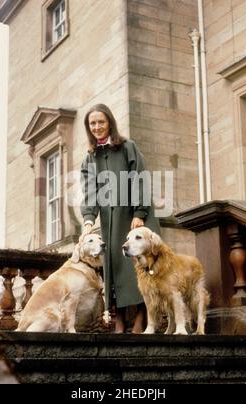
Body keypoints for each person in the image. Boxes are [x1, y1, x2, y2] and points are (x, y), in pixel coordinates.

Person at [80, 104, 160, 333]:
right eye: (92, 123)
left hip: (134, 217)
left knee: (140, 266)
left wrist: (139, 213)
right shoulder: (90, 158)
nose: (97, 127)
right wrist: (88, 220)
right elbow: (89, 192)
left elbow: (140, 178)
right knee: (115, 267)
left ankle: (141, 319)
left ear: (110, 123)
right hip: (110, 221)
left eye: (101, 122)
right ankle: (119, 319)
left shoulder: (127, 147)